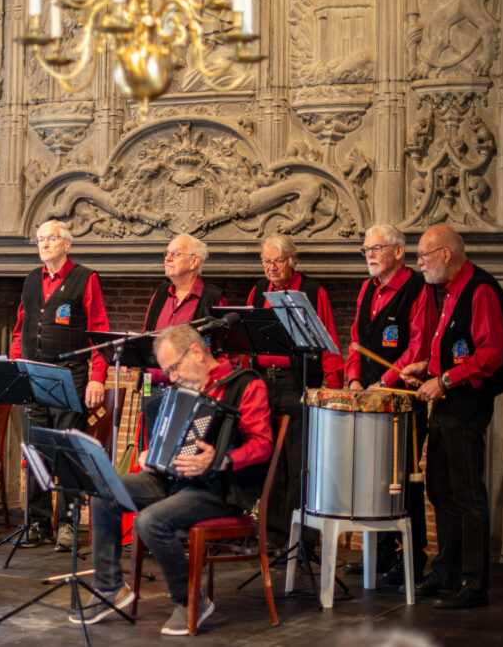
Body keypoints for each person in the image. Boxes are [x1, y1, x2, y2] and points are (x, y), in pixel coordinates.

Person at [83, 325, 273, 635]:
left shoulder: (245, 385)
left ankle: (190, 601)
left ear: (197, 353)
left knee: (149, 521)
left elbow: (262, 444)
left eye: (173, 368)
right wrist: (151, 455)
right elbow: (167, 437)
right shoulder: (183, 387)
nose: (170, 377)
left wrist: (222, 459)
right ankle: (110, 589)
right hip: (172, 480)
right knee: (105, 489)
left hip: (219, 489)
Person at [400, 225, 503, 609]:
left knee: (467, 494)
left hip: (467, 403)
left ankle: (473, 583)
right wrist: (427, 367)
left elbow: (490, 355)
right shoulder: (448, 291)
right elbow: (452, 347)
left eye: (423, 256)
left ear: (446, 254)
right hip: (449, 400)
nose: (420, 265)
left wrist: (444, 381)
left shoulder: (480, 289)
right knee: (440, 489)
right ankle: (445, 573)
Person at [343, 224, 437, 584]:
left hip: (400, 400)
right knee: (376, 479)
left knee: (403, 481)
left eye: (376, 248)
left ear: (399, 251)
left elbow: (420, 346)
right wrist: (353, 380)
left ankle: (411, 557)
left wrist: (384, 383)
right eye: (365, 249)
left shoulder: (418, 289)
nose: (369, 255)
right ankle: (380, 553)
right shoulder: (367, 288)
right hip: (367, 399)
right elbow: (354, 341)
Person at [10, 219, 110, 550]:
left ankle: (68, 524)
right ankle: (37, 523)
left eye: (51, 238)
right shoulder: (30, 279)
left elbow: (99, 331)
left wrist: (97, 376)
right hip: (33, 375)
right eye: (40, 239)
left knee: (67, 452)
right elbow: (20, 327)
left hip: (70, 375)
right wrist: (15, 362)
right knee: (36, 451)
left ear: (67, 243)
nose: (44, 244)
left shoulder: (86, 278)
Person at [245, 233, 343, 545]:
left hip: (297, 382)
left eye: (277, 261)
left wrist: (335, 384)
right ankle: (273, 537)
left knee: (300, 462)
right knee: (271, 461)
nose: (271, 268)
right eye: (266, 262)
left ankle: (301, 540)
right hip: (263, 382)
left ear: (293, 260)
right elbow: (247, 333)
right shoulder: (259, 290)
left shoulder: (313, 291)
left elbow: (329, 342)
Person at [140, 233, 228, 441]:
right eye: (167, 253)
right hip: (152, 390)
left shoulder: (213, 298)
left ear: (194, 261)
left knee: (181, 457)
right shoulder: (160, 292)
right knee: (151, 455)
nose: (167, 258)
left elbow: (223, 353)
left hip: (189, 394)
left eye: (175, 253)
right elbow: (146, 335)